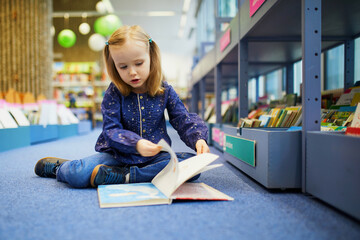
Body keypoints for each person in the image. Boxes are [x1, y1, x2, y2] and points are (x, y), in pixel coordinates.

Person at [34, 25, 210, 188]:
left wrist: (198, 139)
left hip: (154, 158)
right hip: (117, 156)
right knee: (77, 175)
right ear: (114, 66)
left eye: (139, 63)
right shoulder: (113, 93)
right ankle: (61, 167)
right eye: (123, 66)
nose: (132, 72)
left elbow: (182, 118)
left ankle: (126, 176)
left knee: (193, 167)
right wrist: (136, 144)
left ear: (151, 58)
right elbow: (111, 130)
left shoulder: (165, 91)